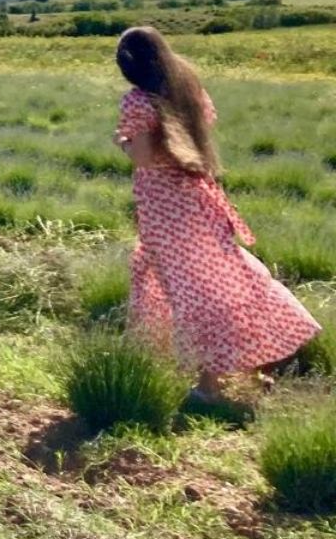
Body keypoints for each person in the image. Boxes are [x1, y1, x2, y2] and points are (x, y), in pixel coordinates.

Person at [113, 26, 320, 402]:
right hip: (201, 201)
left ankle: (210, 386)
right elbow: (196, 135)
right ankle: (256, 370)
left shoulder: (138, 102)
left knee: (194, 293)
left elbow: (143, 157)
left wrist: (123, 142)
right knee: (227, 281)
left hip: (165, 211)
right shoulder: (188, 91)